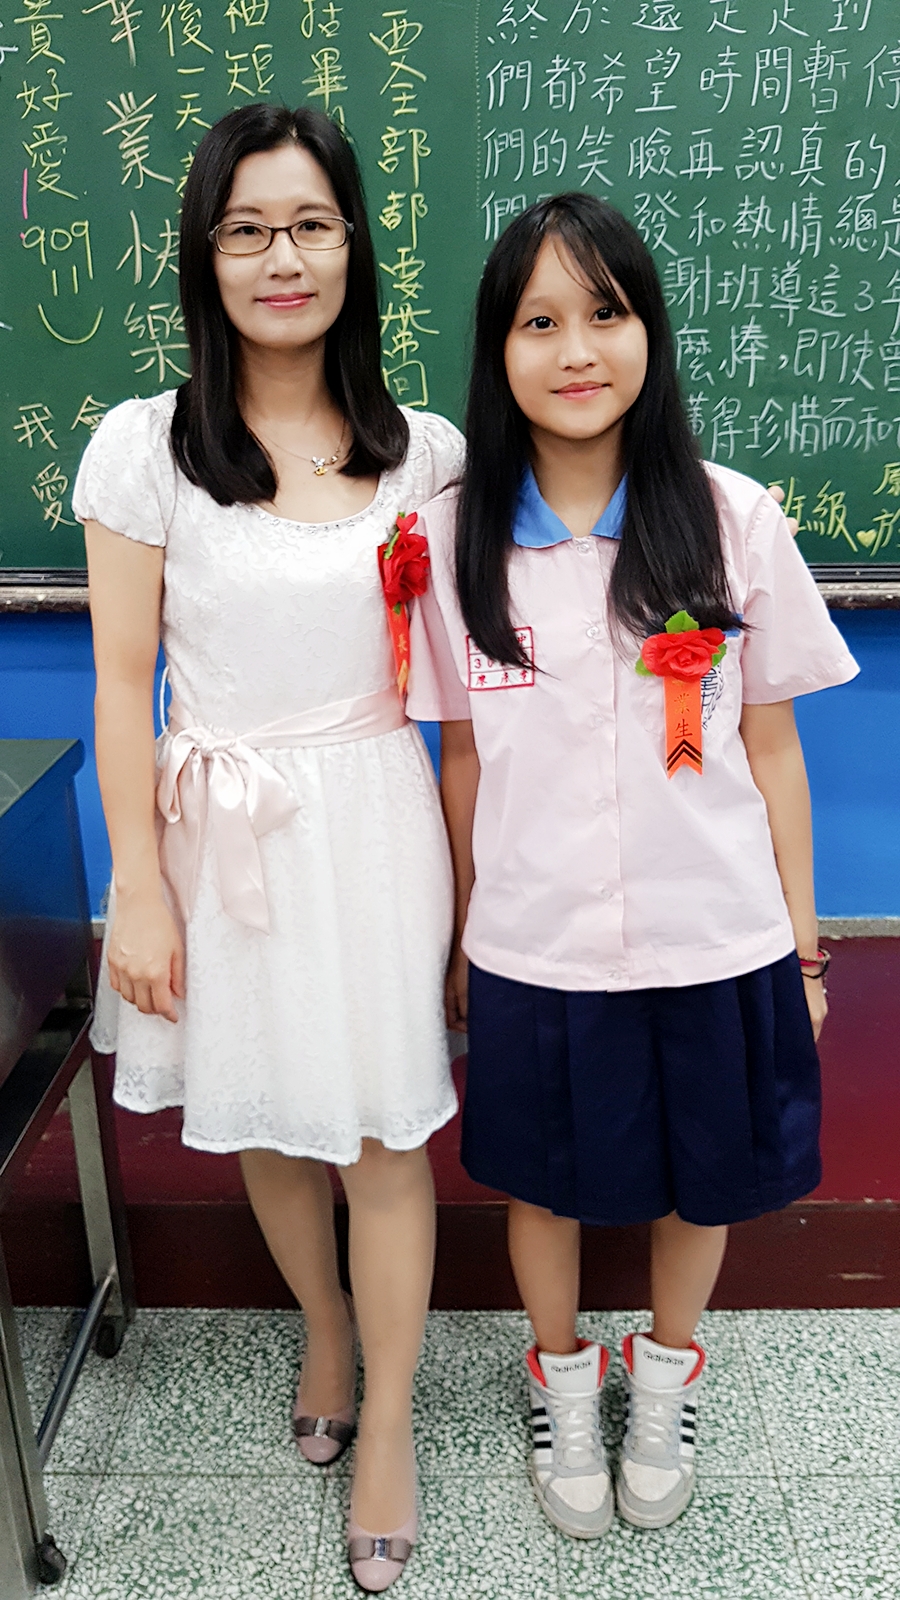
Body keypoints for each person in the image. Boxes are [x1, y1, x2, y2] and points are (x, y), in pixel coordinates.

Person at [406, 193, 857, 1542]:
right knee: (542, 1182)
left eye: (604, 314)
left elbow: (773, 754)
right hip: (535, 939)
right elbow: (462, 760)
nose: (576, 350)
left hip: (716, 934)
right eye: (539, 322)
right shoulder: (452, 541)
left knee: (704, 1176)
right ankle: (561, 1380)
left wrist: (804, 950)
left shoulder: (732, 520)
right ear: (498, 352)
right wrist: (463, 939)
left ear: (649, 331)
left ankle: (664, 1383)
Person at [75, 105, 464, 1593]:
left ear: (354, 246)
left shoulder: (426, 456)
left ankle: (392, 1425)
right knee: (265, 1120)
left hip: (374, 824)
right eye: (246, 230)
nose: (280, 258)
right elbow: (122, 683)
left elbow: (477, 680)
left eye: (309, 225)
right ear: (206, 255)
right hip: (213, 827)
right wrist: (139, 887)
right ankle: (324, 1325)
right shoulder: (145, 449)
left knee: (382, 1133)